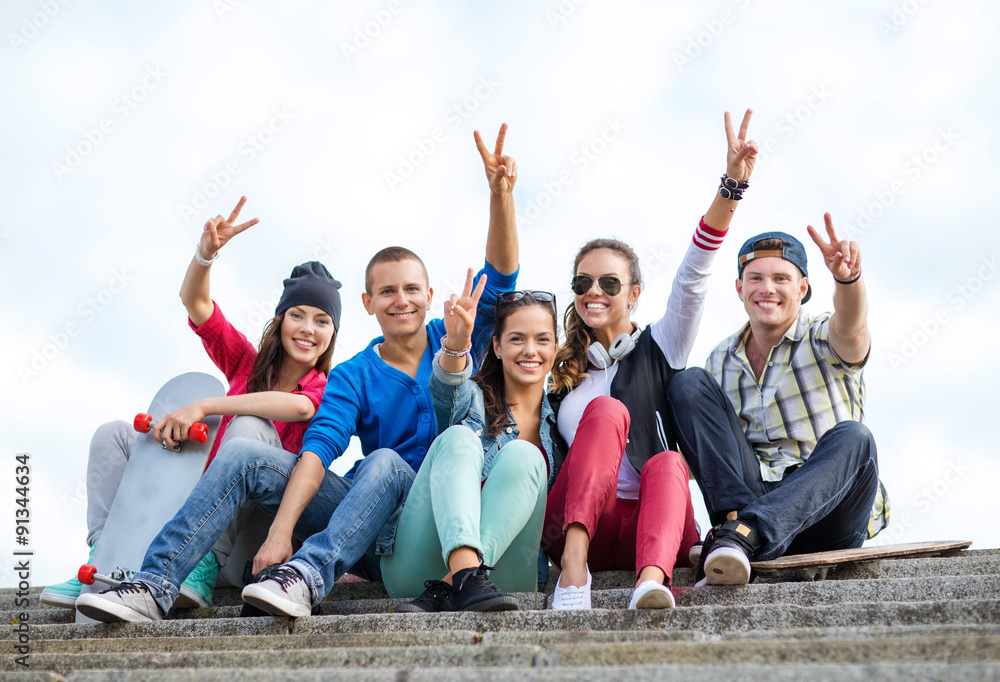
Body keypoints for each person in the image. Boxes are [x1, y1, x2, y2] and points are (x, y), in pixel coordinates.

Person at [74, 125, 521, 622]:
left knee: (389, 463)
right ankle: (153, 583)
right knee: (246, 449)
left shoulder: (455, 334)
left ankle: (306, 576)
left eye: (412, 289)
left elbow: (501, 278)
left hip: (425, 524)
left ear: (429, 295)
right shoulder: (353, 374)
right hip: (367, 524)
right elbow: (319, 448)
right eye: (388, 291)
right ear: (368, 303)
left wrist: (500, 196)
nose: (402, 300)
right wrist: (282, 528)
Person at [41, 197, 342, 610]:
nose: (308, 329)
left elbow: (301, 409)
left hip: (250, 535)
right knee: (112, 435)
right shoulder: (245, 364)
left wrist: (204, 407)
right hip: (191, 506)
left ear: (332, 333)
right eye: (298, 315)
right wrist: (205, 255)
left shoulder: (329, 386)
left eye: (322, 321)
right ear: (280, 321)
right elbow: (197, 306)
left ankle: (203, 563)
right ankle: (108, 556)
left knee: (248, 430)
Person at [542, 110, 758, 610]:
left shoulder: (662, 346)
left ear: (634, 293)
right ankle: (573, 576)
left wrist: (730, 187)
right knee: (607, 412)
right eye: (583, 283)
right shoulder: (561, 373)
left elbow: (694, 275)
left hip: (653, 527)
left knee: (666, 462)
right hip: (583, 532)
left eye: (609, 283)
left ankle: (650, 584)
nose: (594, 292)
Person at [667, 215, 889, 586]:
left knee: (857, 437)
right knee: (688, 382)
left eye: (781, 278)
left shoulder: (821, 336)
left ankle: (742, 534)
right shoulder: (722, 359)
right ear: (740, 287)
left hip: (829, 512)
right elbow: (711, 451)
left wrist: (847, 279)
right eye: (756, 278)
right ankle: (737, 532)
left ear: (802, 287)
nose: (766, 288)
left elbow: (851, 326)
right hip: (754, 496)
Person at [383, 275, 559, 612]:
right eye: (517, 338)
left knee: (525, 454)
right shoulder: (475, 400)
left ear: (555, 348)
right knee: (458, 435)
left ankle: (458, 581)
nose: (530, 350)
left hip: (505, 577)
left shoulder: (563, 424)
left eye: (542, 339)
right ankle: (464, 572)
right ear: (496, 346)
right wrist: (456, 344)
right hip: (419, 567)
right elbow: (447, 396)